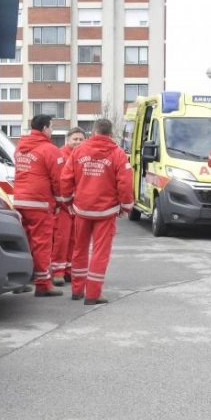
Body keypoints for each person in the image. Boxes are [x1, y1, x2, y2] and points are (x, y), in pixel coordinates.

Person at [60, 118, 133, 305]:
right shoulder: (118, 154)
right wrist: (126, 206)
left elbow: (66, 178)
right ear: (110, 133)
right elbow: (125, 183)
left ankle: (77, 290)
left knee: (79, 249)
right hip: (106, 211)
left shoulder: (78, 151)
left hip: (82, 208)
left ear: (93, 132)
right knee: (100, 253)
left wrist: (68, 201)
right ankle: (93, 294)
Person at [13, 114, 65, 296]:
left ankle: (20, 280)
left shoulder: (21, 146)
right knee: (42, 243)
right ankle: (43, 283)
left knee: (23, 243)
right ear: (44, 128)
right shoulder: (49, 149)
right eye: (51, 127)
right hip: (39, 203)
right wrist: (59, 201)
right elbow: (58, 180)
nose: (52, 131)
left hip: (19, 200)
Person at [51, 127, 86, 286]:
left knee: (75, 240)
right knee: (61, 239)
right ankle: (57, 272)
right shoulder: (60, 155)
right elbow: (57, 182)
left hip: (78, 205)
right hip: (63, 205)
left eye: (81, 139)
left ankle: (69, 271)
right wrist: (60, 203)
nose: (78, 142)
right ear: (68, 140)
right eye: (75, 139)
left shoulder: (84, 156)